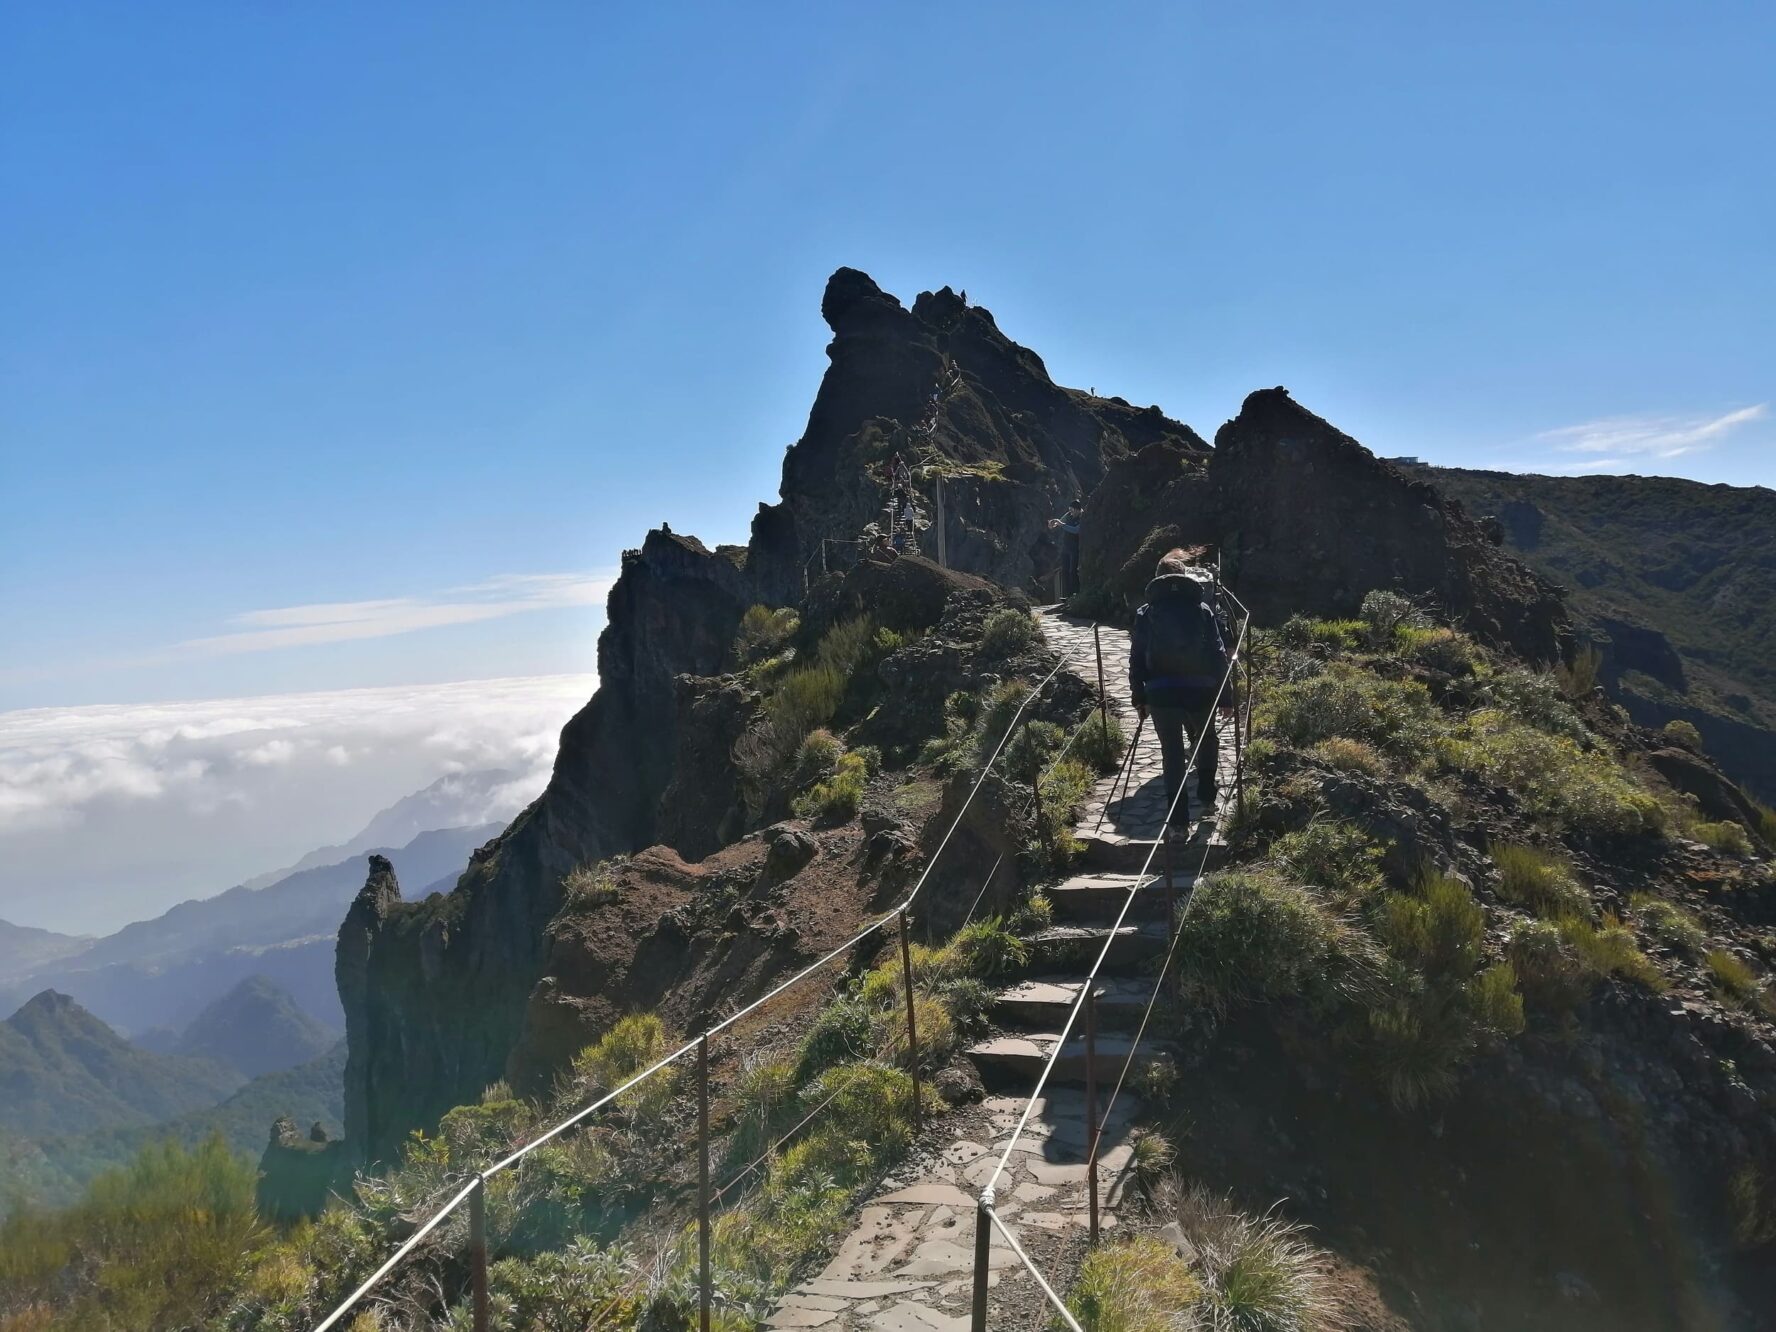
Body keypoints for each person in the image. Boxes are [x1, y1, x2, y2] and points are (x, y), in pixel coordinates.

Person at [1129, 549, 1233, 822]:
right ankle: (1208, 799)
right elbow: (1218, 653)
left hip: (1161, 690)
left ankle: (1177, 825)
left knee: (1172, 754)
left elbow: (1137, 657)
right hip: (1201, 688)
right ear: (1186, 578)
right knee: (1207, 739)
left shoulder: (1146, 612)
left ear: (1157, 580)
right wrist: (1226, 697)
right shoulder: (1203, 610)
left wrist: (1139, 697)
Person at [1047, 499, 1084, 598]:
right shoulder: (1068, 515)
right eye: (1070, 511)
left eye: (1072, 511)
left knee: (1073, 571)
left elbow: (1076, 530)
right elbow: (1059, 522)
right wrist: (1053, 524)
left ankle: (1075, 593)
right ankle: (1067, 595)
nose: (1070, 513)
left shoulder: (1082, 517)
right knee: (1065, 570)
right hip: (1066, 547)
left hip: (1075, 547)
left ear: (1078, 510)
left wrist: (1061, 525)